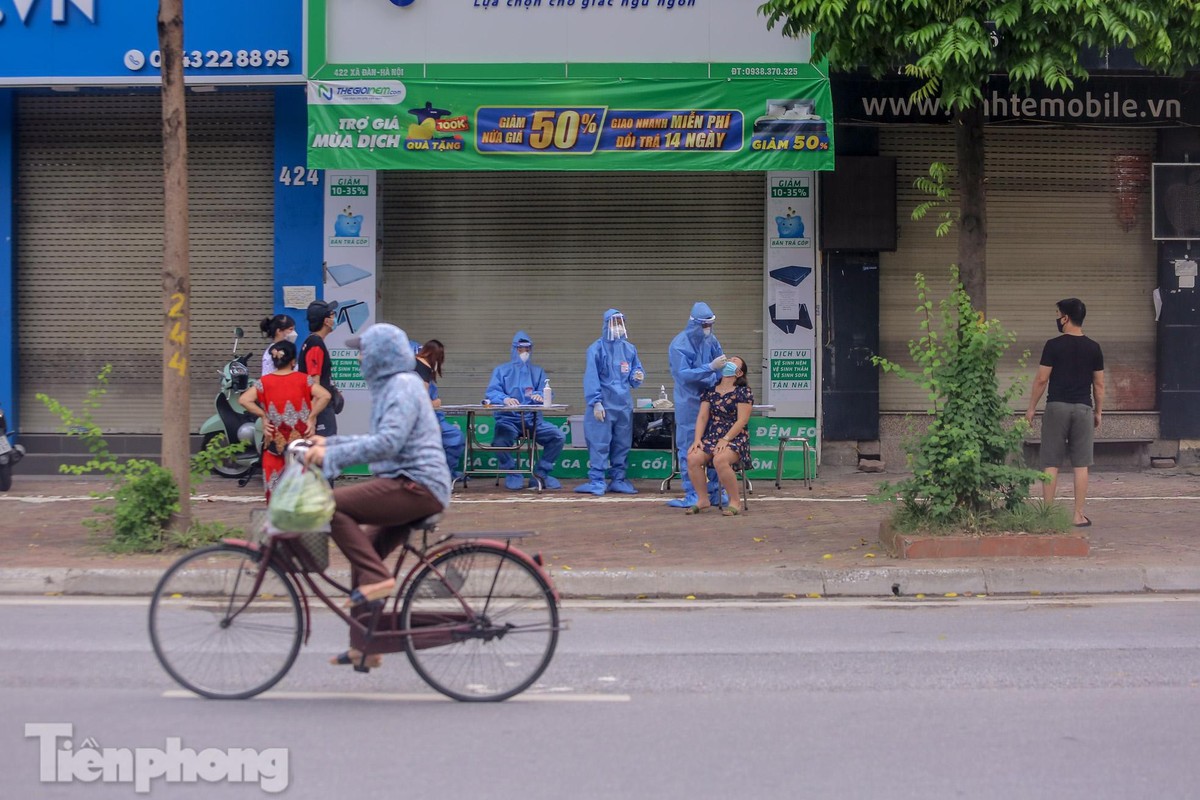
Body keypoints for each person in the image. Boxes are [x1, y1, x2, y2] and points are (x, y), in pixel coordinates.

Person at [302, 323, 452, 669]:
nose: (359, 359)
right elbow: (378, 438)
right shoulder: (393, 387)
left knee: (330, 505)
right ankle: (364, 647)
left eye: (363, 352)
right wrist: (329, 443)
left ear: (380, 356)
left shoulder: (401, 387)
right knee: (363, 554)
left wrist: (332, 456)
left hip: (416, 485)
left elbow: (388, 443)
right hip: (407, 483)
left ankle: (379, 581)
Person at [1025, 298, 1105, 528]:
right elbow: (1099, 385)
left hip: (1056, 407)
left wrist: (1031, 408)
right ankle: (1078, 515)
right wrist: (1098, 412)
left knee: (1051, 461)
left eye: (1058, 313)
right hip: (1083, 409)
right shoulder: (1094, 347)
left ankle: (1047, 515)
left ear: (1066, 318)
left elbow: (1042, 379)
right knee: (1081, 464)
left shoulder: (1053, 345)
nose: (1057, 317)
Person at [238, 339, 331, 499]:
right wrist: (311, 417)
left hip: (274, 446)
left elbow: (244, 400)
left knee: (275, 496)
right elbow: (325, 395)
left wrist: (263, 415)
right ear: (293, 361)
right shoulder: (304, 380)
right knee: (302, 495)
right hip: (301, 447)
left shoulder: (264, 383)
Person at [575, 309, 645, 495]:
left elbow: (634, 374)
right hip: (603, 405)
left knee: (622, 443)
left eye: (621, 323)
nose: (618, 327)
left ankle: (618, 479)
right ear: (606, 324)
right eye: (615, 323)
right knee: (600, 443)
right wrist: (595, 401)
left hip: (623, 405)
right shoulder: (596, 349)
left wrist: (637, 376)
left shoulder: (629, 349)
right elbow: (591, 377)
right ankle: (597, 480)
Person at [485, 331, 565, 490]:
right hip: (508, 420)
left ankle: (541, 474)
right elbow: (491, 392)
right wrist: (504, 399)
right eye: (521, 349)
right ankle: (512, 472)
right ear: (514, 350)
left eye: (528, 349)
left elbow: (547, 391)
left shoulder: (537, 372)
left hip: (533, 419)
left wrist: (540, 396)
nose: (524, 353)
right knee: (499, 442)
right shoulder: (501, 371)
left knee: (558, 436)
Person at [666, 302, 727, 508]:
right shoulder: (679, 345)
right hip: (690, 402)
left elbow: (721, 366)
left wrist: (724, 383)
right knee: (690, 446)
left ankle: (716, 491)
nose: (707, 328)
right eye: (704, 324)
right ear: (694, 323)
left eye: (710, 324)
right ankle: (693, 492)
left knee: (715, 444)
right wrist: (709, 367)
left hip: (711, 400)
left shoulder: (711, 340)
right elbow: (683, 375)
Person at [684, 356, 753, 516]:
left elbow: (743, 419)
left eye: (734, 361)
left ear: (739, 372)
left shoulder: (743, 392)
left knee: (720, 459)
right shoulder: (710, 391)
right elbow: (702, 417)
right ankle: (702, 500)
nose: (729, 361)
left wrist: (726, 439)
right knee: (693, 457)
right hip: (713, 435)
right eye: (729, 358)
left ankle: (735, 502)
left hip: (735, 436)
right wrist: (697, 439)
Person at [414, 338, 466, 482]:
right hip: (423, 419)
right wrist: (434, 403)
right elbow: (420, 403)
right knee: (452, 439)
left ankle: (445, 472)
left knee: (455, 438)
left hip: (434, 417)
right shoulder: (421, 370)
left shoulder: (423, 370)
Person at [299, 299, 340, 437]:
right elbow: (314, 383)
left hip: (319, 407)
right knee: (322, 450)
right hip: (319, 409)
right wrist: (313, 417)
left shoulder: (313, 342)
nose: (334, 318)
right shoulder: (315, 345)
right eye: (332, 315)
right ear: (326, 321)